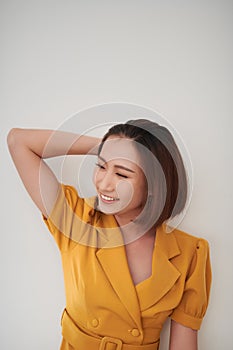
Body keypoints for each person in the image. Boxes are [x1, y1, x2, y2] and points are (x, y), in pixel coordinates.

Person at [7, 119, 211, 350]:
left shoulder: (191, 252)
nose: (104, 184)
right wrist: (107, 147)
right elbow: (18, 141)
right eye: (101, 166)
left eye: (122, 175)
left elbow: (183, 344)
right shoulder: (76, 220)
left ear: (155, 183)